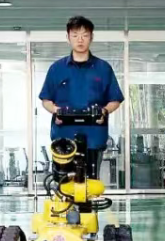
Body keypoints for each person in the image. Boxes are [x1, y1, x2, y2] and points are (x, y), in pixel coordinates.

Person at [39, 16, 124, 179]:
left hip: (94, 136)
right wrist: (56, 111)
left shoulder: (103, 68)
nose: (80, 40)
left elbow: (115, 100)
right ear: (68, 37)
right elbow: (46, 100)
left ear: (91, 37)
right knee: (63, 184)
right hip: (64, 137)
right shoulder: (56, 69)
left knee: (91, 184)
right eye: (75, 35)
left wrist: (104, 111)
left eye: (85, 35)